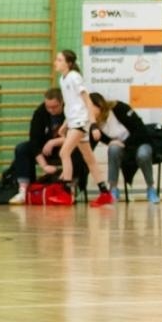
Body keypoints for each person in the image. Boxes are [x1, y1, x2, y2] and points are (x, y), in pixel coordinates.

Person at [52, 50, 110, 207]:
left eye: (59, 60)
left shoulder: (74, 77)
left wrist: (94, 125)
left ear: (68, 63)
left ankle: (66, 193)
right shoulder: (62, 79)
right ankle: (105, 193)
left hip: (81, 122)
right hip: (73, 121)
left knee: (64, 153)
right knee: (90, 159)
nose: (55, 62)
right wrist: (64, 126)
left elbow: (87, 101)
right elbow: (72, 105)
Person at [88, 91, 158, 204]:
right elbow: (92, 144)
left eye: (89, 107)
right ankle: (113, 189)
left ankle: (151, 188)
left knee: (143, 154)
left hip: (140, 143)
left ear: (99, 105)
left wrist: (125, 143)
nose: (88, 111)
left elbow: (140, 130)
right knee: (113, 149)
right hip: (122, 148)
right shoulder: (93, 124)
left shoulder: (119, 108)